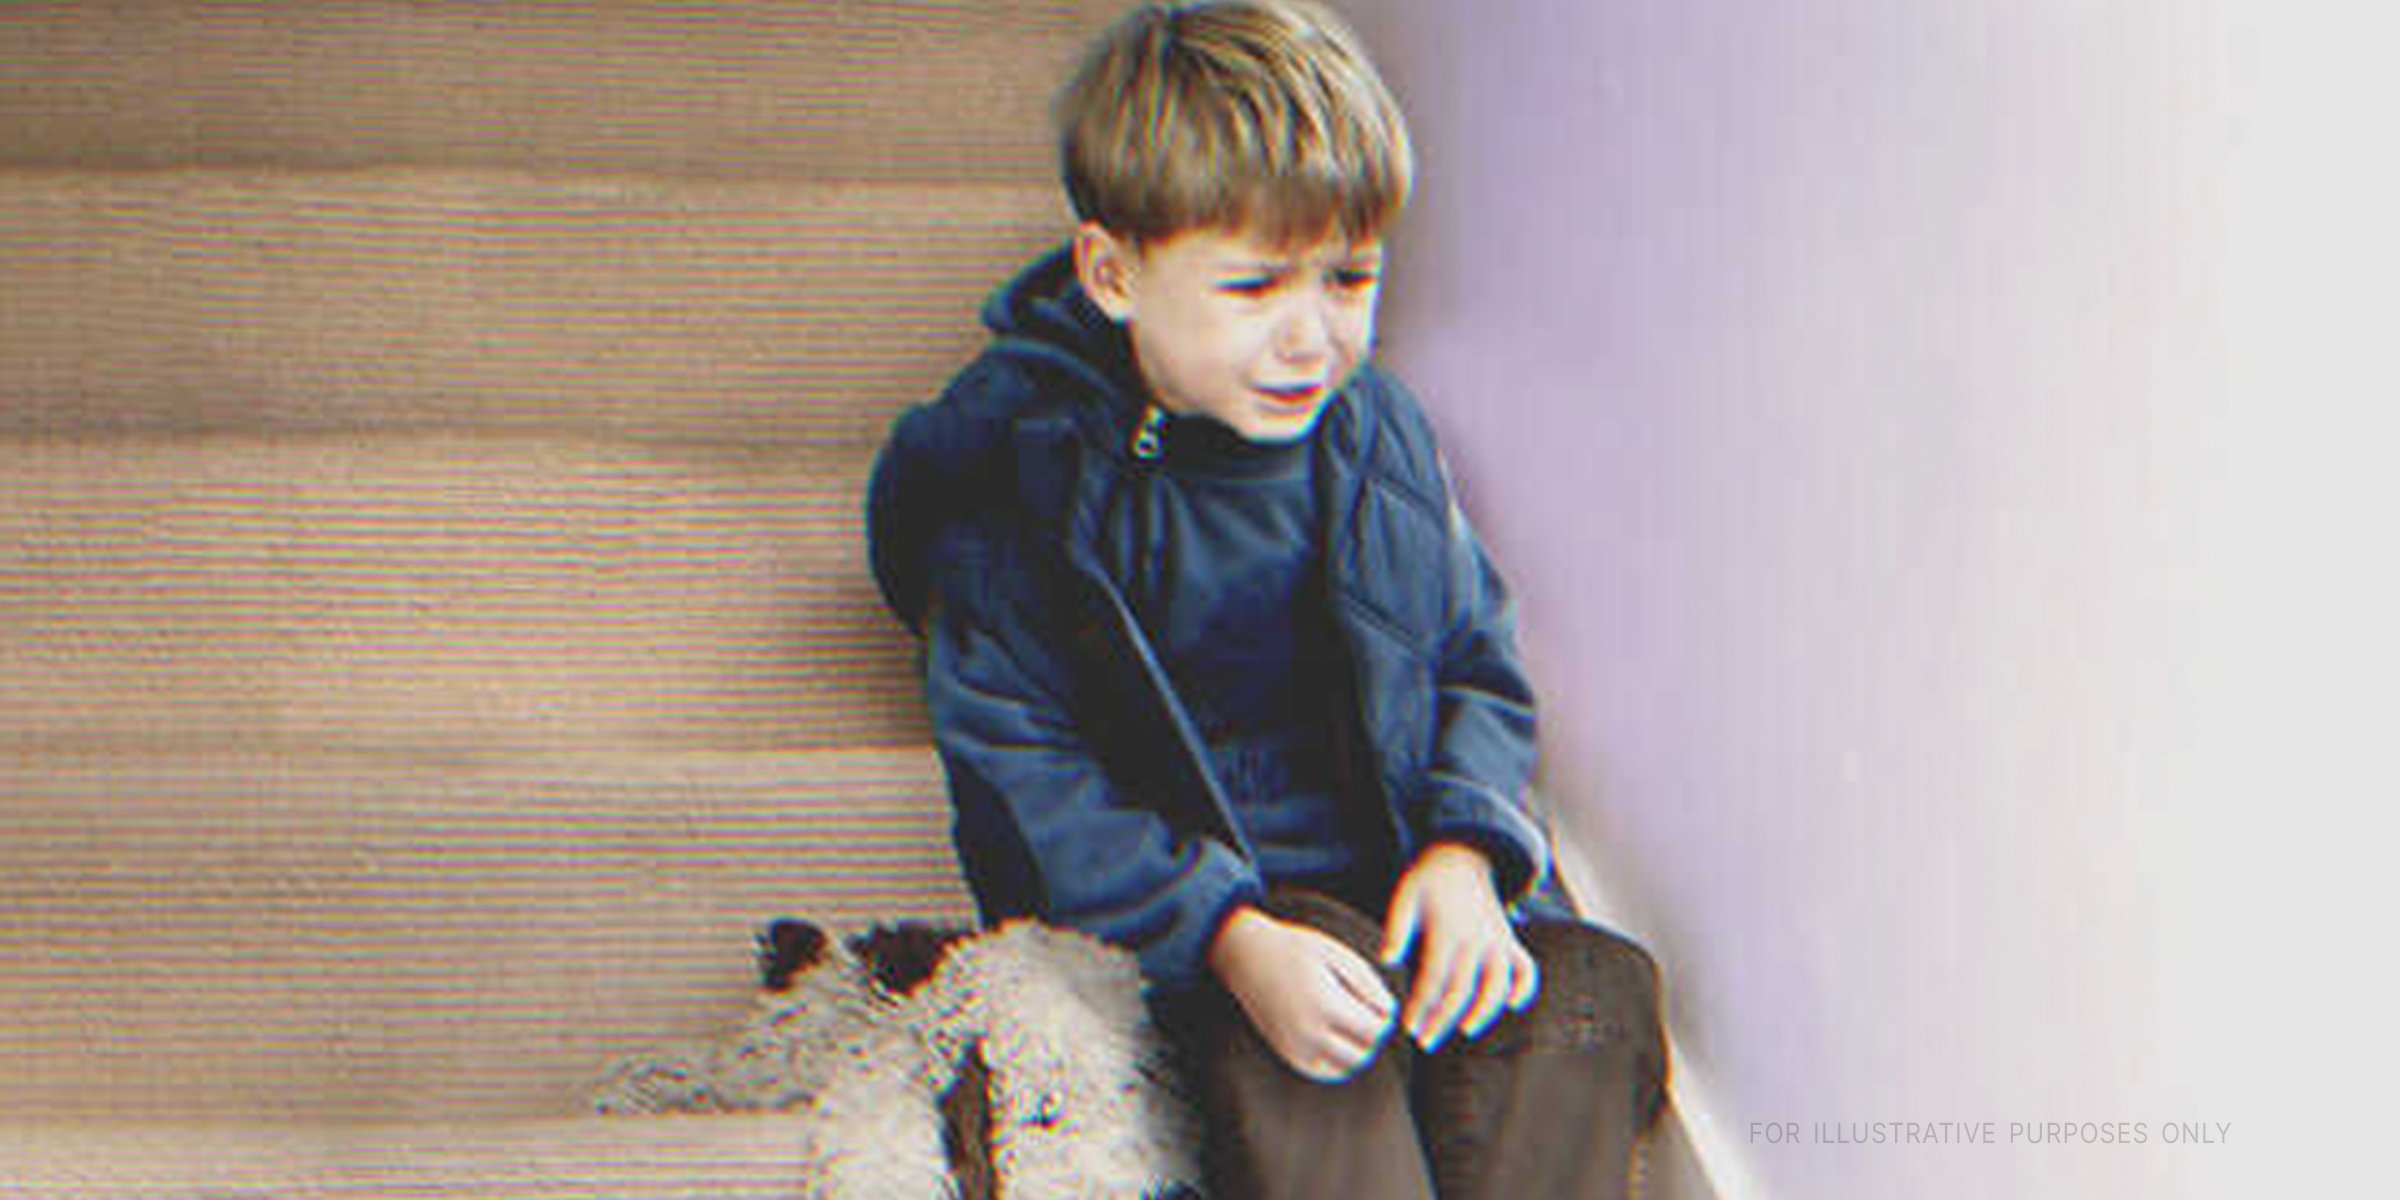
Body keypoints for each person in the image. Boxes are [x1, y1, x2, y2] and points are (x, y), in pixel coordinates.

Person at [867, 3, 1665, 1195]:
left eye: (1349, 278)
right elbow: (1019, 763)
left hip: (1401, 881)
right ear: (1111, 273)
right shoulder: (1033, 478)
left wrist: (1463, 851)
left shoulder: (1377, 431)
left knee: (1591, 986)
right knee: (1316, 1049)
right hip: (1207, 920)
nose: (1313, 337)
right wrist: (1229, 939)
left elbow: (1472, 663)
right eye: (1254, 289)